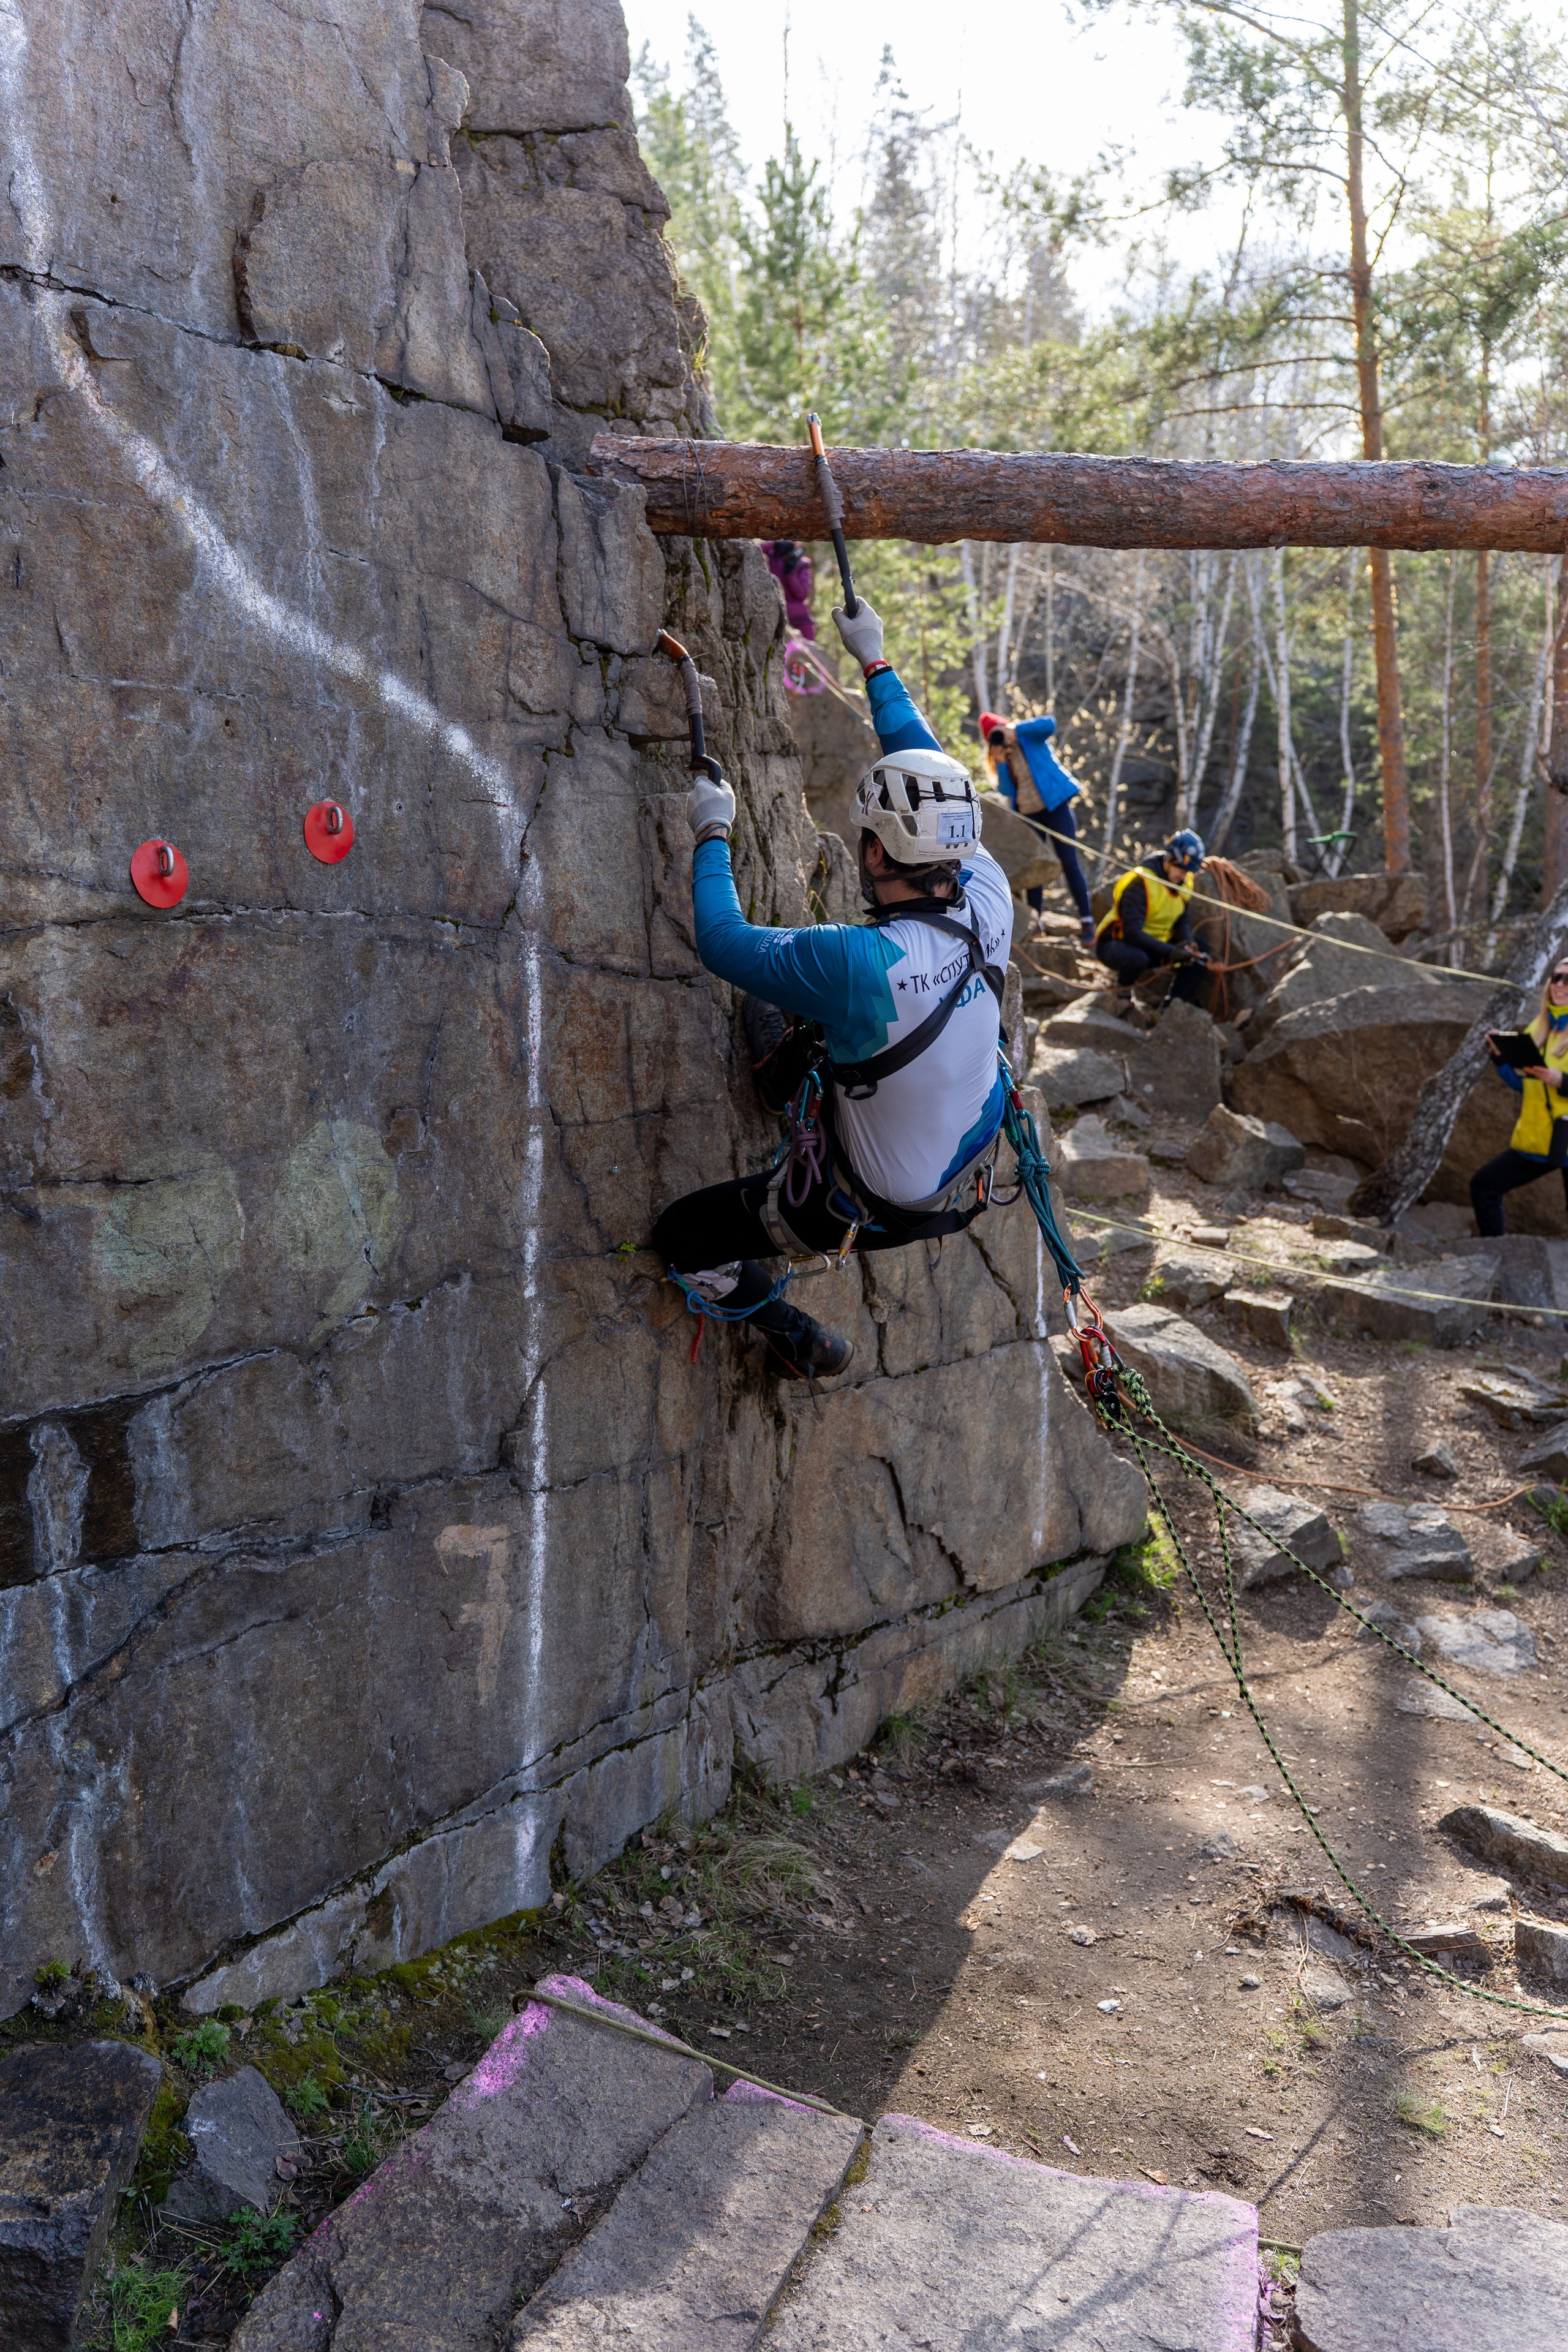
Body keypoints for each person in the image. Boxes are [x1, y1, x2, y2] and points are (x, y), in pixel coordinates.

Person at [650, 596, 1012, 1381]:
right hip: (970, 1151)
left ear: (878, 856)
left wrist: (711, 830)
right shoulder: (989, 890)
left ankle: (792, 1333)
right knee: (826, 1022)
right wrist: (873, 661)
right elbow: (931, 769)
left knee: (683, 1234)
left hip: (865, 1200)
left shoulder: (857, 963)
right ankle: (787, 1086)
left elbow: (725, 942)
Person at [979, 710, 1095, 948]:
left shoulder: (1029, 737)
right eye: (993, 737)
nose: (999, 738)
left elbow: (1050, 723)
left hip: (1056, 806)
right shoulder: (1001, 757)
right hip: (1029, 815)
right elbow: (1006, 792)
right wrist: (1001, 763)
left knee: (1069, 862)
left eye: (998, 732)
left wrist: (1015, 730)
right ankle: (1036, 923)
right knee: (1035, 868)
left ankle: (1087, 920)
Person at [1471, 961, 1568, 1234]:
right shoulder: (1539, 1027)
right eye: (1556, 978)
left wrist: (1561, 1081)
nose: (1560, 985)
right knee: (1484, 1186)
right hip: (1539, 1139)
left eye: (1567, 980)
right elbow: (1524, 1085)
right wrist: (1500, 1057)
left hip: (1565, 1133)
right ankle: (1499, 1265)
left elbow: (1555, 1083)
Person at [1094, 831, 1212, 1003]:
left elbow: (1182, 920)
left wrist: (1188, 943)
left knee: (1200, 950)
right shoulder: (1141, 883)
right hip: (1117, 944)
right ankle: (1123, 989)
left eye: (1189, 872)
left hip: (1154, 945)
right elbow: (1132, 933)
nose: (1184, 876)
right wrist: (1171, 952)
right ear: (1170, 859)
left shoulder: (1184, 883)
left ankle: (1172, 1006)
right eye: (1181, 869)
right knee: (1137, 959)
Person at [763, 540, 816, 638]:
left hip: (799, 617)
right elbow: (752, 550)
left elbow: (802, 594)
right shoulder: (772, 557)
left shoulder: (803, 563)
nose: (793, 540)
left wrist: (790, 574)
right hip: (776, 613)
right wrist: (775, 544)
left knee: (808, 649)